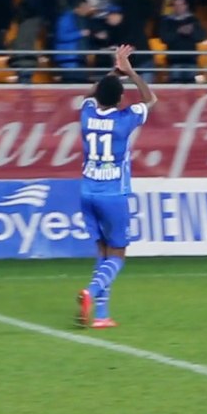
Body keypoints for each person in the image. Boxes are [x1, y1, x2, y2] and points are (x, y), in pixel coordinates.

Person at [76, 45, 157, 330]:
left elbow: (91, 95)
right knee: (118, 256)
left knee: (103, 253)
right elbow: (151, 98)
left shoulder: (86, 113)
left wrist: (114, 72)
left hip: (87, 192)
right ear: (122, 98)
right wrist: (129, 70)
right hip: (113, 195)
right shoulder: (125, 119)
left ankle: (101, 315)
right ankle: (91, 292)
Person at [158, 0, 205, 83]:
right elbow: (164, 38)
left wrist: (191, 32)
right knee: (175, 86)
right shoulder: (166, 21)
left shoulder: (193, 20)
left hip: (191, 61)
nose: (178, 7)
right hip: (174, 61)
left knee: (191, 88)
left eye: (180, 5)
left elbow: (201, 37)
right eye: (175, 5)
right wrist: (178, 31)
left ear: (186, 6)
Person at [54, 0, 94, 83]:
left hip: (80, 59)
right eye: (86, 7)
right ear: (79, 7)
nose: (88, 9)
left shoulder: (83, 19)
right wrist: (80, 33)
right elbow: (61, 36)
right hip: (70, 61)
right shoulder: (66, 18)